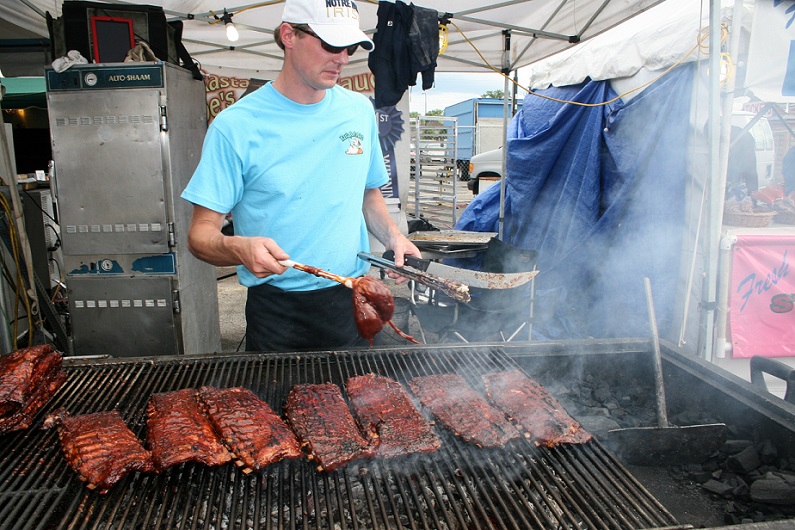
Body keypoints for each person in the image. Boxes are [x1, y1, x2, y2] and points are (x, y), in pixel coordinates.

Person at [181, 0, 421, 352]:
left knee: (364, 403)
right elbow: (200, 235)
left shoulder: (357, 111)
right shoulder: (236, 126)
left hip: (353, 297)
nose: (342, 58)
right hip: (278, 310)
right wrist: (237, 246)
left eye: (350, 47)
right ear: (289, 35)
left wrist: (394, 238)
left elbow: (368, 195)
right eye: (330, 45)